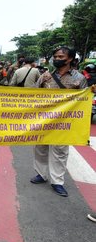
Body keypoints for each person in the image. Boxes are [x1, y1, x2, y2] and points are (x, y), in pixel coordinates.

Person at [31, 46, 87, 197]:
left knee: (60, 151)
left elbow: (84, 101)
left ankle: (57, 181)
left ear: (70, 59)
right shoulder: (45, 76)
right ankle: (41, 175)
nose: (57, 59)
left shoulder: (79, 79)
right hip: (44, 120)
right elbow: (32, 94)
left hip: (64, 122)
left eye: (61, 57)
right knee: (41, 148)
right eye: (55, 56)